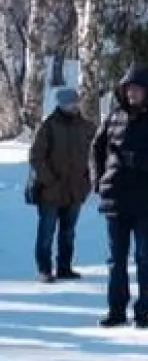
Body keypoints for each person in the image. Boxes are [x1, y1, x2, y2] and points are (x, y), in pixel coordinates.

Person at [91, 66, 148, 329]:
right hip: (115, 197)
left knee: (145, 256)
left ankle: (143, 309)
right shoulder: (114, 116)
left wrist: (137, 160)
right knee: (115, 259)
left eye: (137, 89)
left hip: (145, 198)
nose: (132, 94)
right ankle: (116, 309)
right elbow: (96, 147)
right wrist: (98, 179)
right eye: (128, 89)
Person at [28, 88, 95, 283]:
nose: (73, 106)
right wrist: (49, 180)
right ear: (61, 104)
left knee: (68, 232)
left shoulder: (87, 127)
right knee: (46, 233)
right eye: (69, 103)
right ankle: (44, 269)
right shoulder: (48, 126)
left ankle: (64, 267)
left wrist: (86, 182)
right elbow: (36, 157)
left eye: (75, 103)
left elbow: (94, 156)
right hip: (50, 191)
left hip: (75, 190)